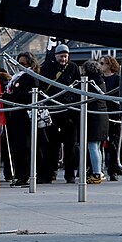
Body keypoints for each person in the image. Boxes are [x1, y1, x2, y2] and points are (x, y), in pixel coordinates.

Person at [38, 44, 82, 184]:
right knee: (51, 145)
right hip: (53, 110)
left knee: (70, 146)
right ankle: (49, 173)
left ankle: (70, 174)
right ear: (55, 55)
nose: (63, 58)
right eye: (61, 56)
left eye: (65, 56)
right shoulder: (46, 68)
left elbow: (78, 87)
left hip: (69, 111)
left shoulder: (73, 68)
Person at [2, 51, 39, 186]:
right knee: (17, 146)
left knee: (24, 147)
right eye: (20, 63)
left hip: (24, 116)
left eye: (24, 63)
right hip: (15, 115)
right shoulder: (17, 77)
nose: (21, 66)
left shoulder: (30, 77)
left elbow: (28, 96)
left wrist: (10, 97)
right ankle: (19, 174)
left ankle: (24, 175)